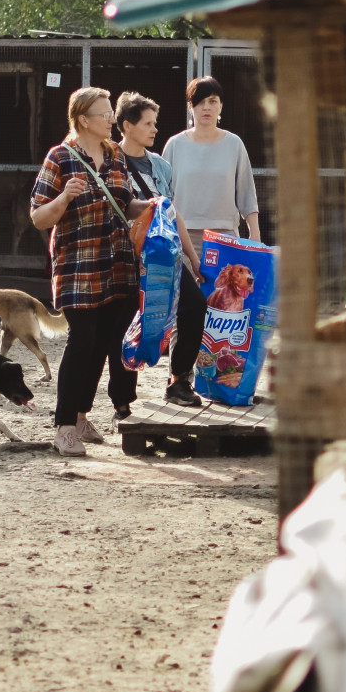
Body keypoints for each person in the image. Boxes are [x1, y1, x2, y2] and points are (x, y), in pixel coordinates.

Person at [30, 87, 149, 457]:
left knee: (103, 344)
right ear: (83, 119)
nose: (112, 119)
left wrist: (152, 206)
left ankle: (82, 415)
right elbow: (37, 217)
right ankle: (64, 426)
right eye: (105, 114)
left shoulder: (115, 156)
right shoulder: (60, 158)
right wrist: (64, 197)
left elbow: (126, 204)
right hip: (78, 267)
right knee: (81, 342)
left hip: (116, 265)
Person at [161, 76, 260, 405]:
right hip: (183, 236)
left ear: (221, 107)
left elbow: (246, 192)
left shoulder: (234, 144)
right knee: (186, 309)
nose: (207, 107)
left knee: (226, 312)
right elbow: (163, 197)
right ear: (191, 107)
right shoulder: (175, 145)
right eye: (200, 101)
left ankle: (221, 381)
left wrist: (254, 236)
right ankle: (179, 380)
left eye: (213, 101)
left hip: (225, 239)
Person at [109, 91, 175, 421]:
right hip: (122, 257)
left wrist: (187, 256)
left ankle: (179, 381)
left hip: (160, 256)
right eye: (148, 123)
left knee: (190, 305)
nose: (154, 129)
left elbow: (172, 212)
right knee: (124, 323)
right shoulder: (109, 160)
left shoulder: (160, 165)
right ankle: (122, 401)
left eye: (155, 122)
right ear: (127, 126)